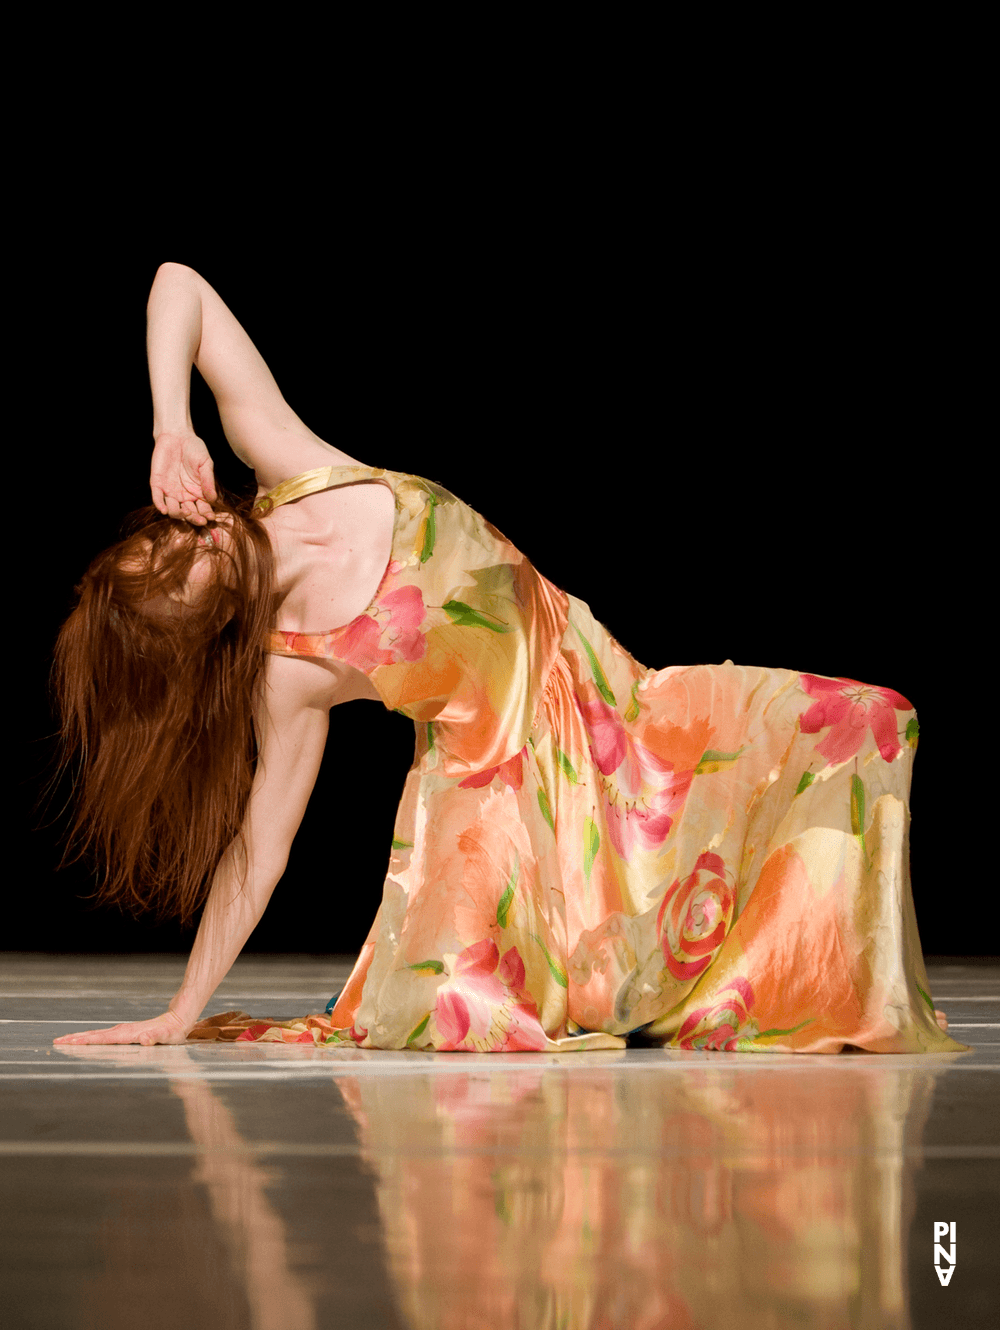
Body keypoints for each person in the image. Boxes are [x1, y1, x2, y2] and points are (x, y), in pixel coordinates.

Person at [55, 264, 959, 1054]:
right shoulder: (289, 672)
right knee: (463, 1008)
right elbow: (261, 846)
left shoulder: (290, 459)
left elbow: (180, 283)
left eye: (166, 540)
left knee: (870, 721)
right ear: (200, 624)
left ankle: (811, 980)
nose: (193, 542)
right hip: (502, 793)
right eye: (180, 577)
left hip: (610, 699)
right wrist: (180, 1013)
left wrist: (169, 424)